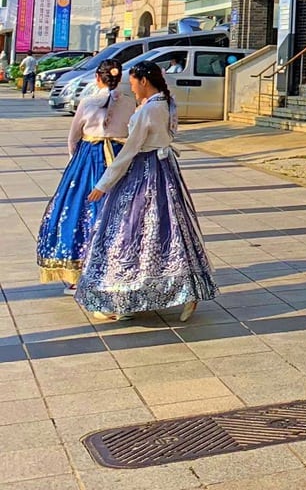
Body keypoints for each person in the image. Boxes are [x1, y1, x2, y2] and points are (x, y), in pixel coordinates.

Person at [75, 61, 217, 322]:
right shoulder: (166, 103)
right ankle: (186, 290)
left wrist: (102, 185)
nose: (132, 90)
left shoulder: (147, 111)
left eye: (133, 84)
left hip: (144, 173)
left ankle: (124, 299)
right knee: (170, 230)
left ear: (143, 81)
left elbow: (128, 152)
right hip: (165, 170)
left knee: (130, 231)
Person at [36, 61, 135, 291]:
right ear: (119, 79)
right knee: (118, 210)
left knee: (79, 210)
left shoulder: (88, 102)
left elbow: (73, 137)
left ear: (98, 79)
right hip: (119, 157)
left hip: (89, 157)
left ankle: (78, 271)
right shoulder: (130, 102)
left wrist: (75, 162)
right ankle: (114, 268)